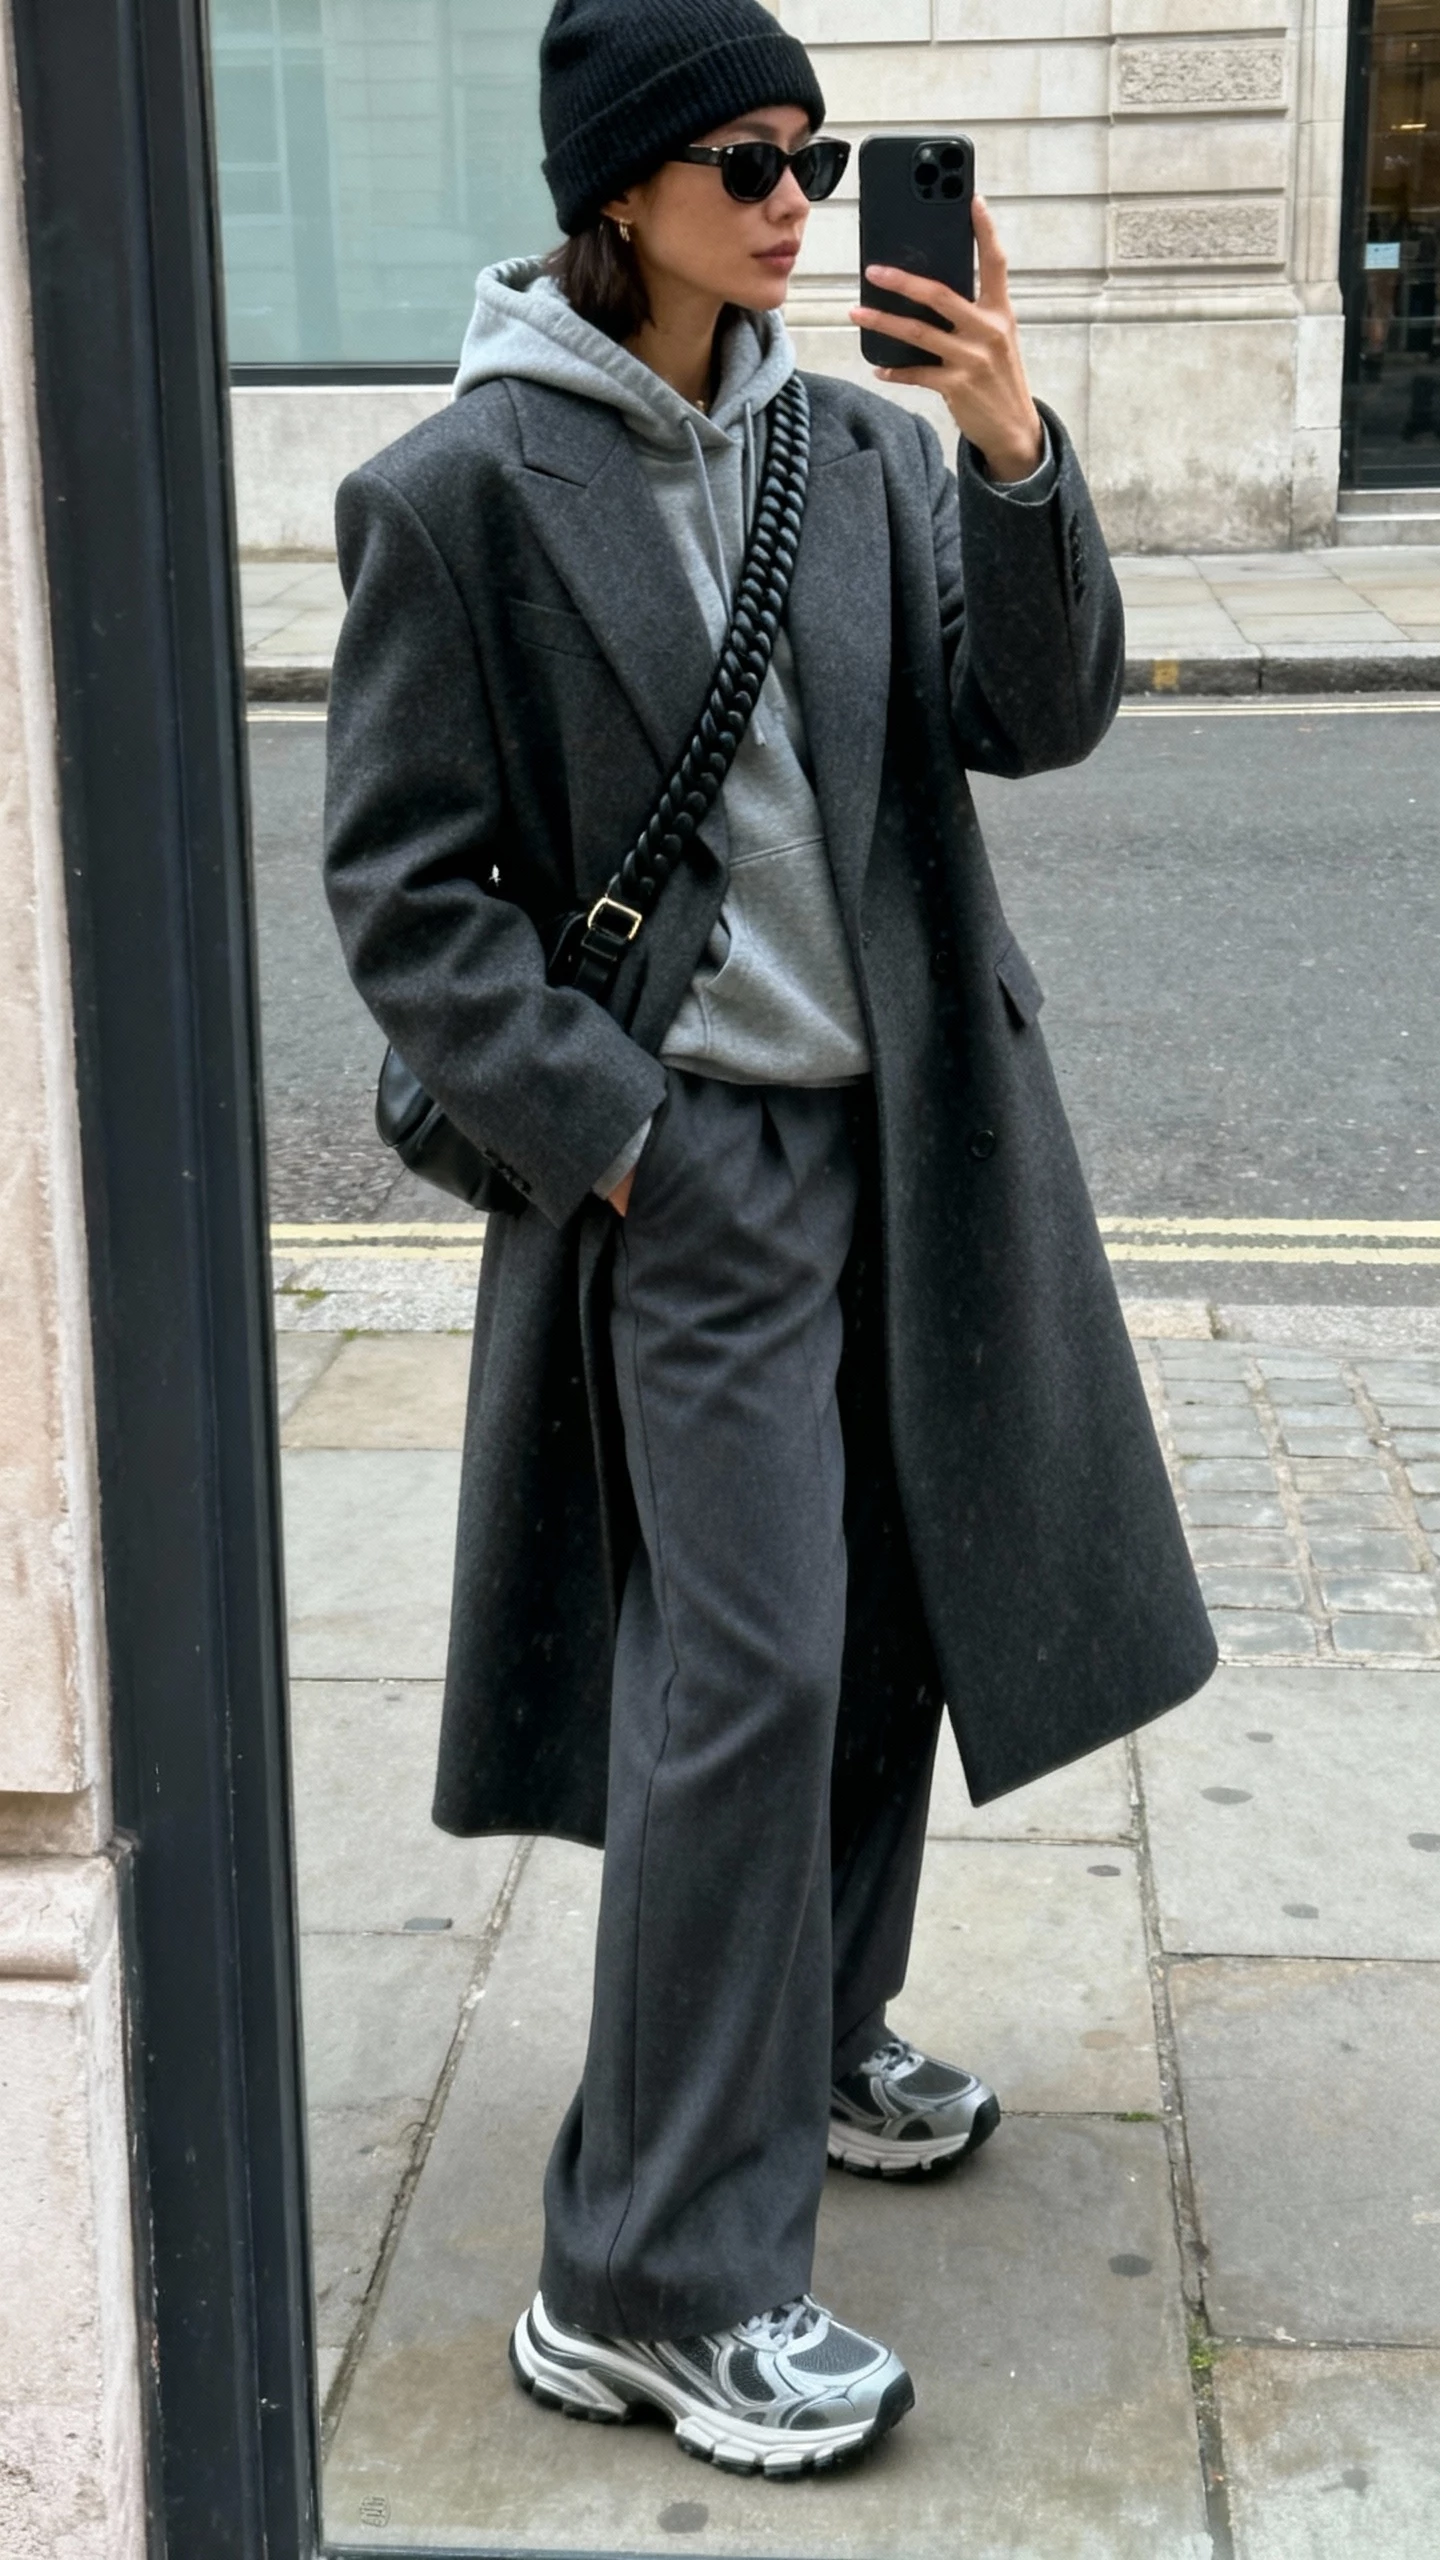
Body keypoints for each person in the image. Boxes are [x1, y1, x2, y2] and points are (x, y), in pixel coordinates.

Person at [323, 0, 1216, 2483]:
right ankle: (643, 2274)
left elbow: (1041, 716)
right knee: (743, 1675)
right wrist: (627, 1142)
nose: (803, 199)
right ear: (620, 189)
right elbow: (409, 898)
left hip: (914, 1139)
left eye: (819, 153)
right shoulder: (462, 494)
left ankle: (807, 2032)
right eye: (749, 156)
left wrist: (1014, 447)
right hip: (689, 1178)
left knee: (891, 1620)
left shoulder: (858, 451)